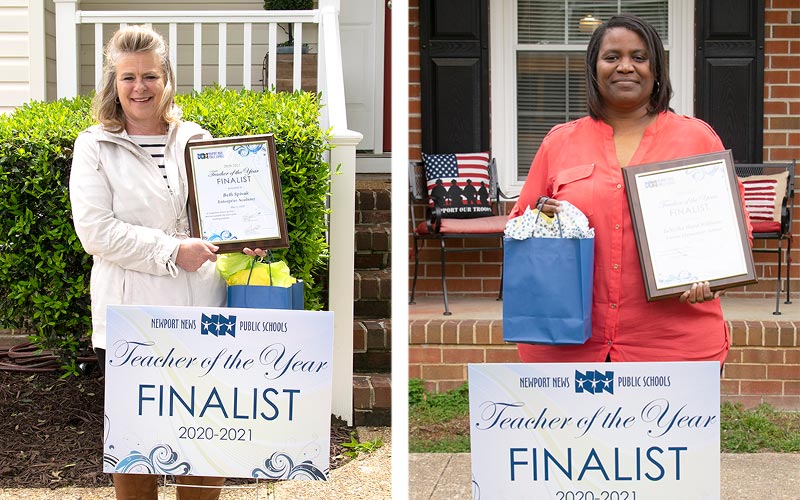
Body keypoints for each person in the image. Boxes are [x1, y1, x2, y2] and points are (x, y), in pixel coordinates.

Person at [69, 25, 262, 500]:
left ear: (167, 78)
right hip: (132, 319)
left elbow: (218, 215)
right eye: (128, 76)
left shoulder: (196, 137)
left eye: (150, 75)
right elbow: (96, 232)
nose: (140, 87)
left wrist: (245, 236)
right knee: (137, 444)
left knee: (205, 437)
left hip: (203, 316)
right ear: (113, 84)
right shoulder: (94, 145)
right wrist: (172, 250)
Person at [510, 14, 749, 365]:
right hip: (569, 344)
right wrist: (541, 219)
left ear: (656, 70)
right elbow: (520, 226)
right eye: (612, 57)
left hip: (673, 342)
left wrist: (716, 278)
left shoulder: (696, 138)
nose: (625, 67)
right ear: (594, 68)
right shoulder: (559, 143)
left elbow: (734, 231)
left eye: (639, 57)